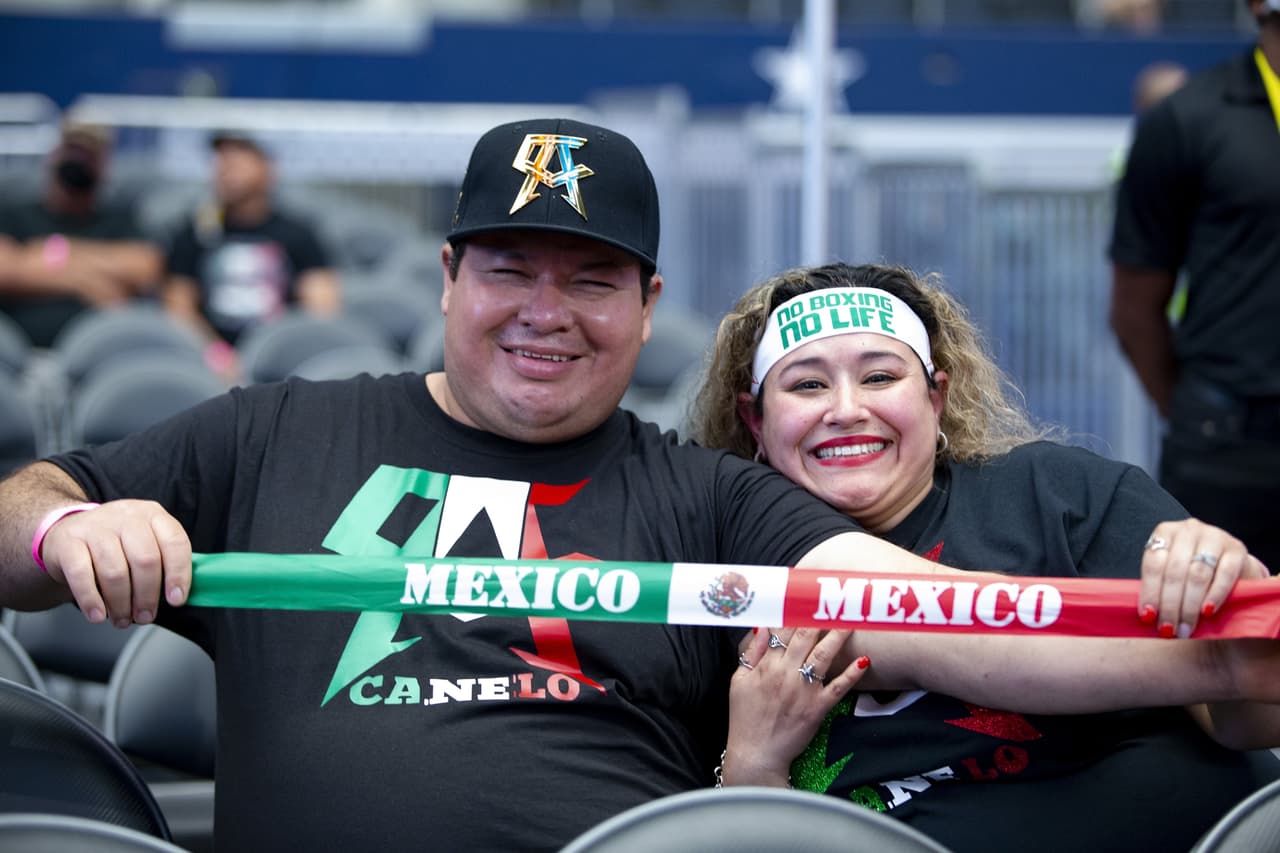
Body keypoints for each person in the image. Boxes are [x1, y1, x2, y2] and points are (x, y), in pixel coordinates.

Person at [0, 120, 1270, 852]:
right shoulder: (271, 434)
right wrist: (69, 521)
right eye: (510, 268)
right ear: (448, 275)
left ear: (648, 305)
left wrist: (1233, 656)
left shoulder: (706, 494)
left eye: (591, 280)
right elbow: (15, 524)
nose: (544, 314)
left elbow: (930, 615)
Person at [691, 261, 1280, 853]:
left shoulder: (1058, 494)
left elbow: (1250, 725)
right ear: (755, 420)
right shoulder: (721, 569)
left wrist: (1236, 622)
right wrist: (751, 766)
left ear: (937, 397)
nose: (846, 409)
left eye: (879, 377)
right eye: (807, 385)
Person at [1109, 0, 1280, 572]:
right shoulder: (1188, 119)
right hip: (1230, 445)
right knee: (1217, 644)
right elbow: (1134, 307)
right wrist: (1199, 415)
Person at [161, 129, 341, 379]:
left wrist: (276, 356)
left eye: (239, 155)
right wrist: (217, 354)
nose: (225, 166)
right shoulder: (193, 235)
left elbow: (322, 310)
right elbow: (178, 311)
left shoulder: (299, 235)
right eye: (221, 157)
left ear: (269, 166)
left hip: (280, 367)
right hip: (208, 366)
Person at [0, 120, 163, 348]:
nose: (79, 161)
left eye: (90, 154)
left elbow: (145, 267)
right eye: (73, 150)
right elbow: (5, 269)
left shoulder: (120, 219)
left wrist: (49, 252)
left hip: (100, 349)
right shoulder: (15, 213)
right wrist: (83, 282)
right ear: (54, 156)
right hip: (17, 347)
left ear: (104, 165)